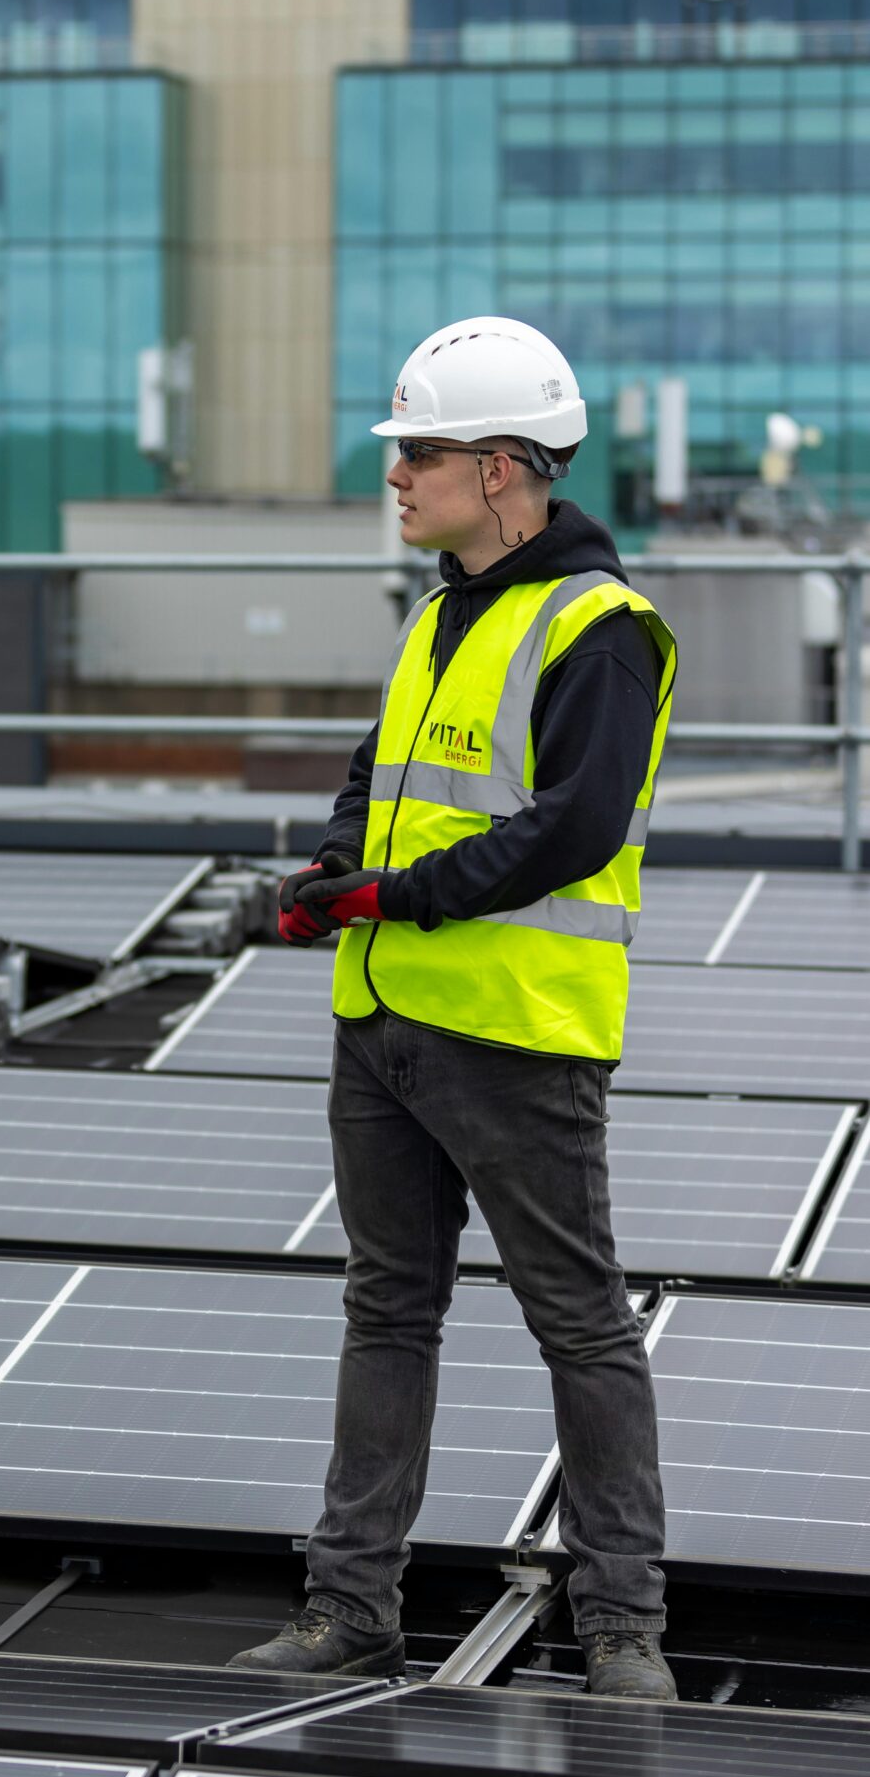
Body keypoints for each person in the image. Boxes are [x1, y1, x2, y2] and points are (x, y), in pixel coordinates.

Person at [231, 316, 679, 1703]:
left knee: (579, 1323)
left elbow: (570, 831)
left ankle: (624, 1631)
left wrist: (384, 898)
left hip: (518, 1036)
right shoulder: (438, 611)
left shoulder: (603, 631)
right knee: (388, 1312)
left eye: (416, 455)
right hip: (386, 1028)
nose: (396, 478)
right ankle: (350, 1606)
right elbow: (380, 782)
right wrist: (330, 870)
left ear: (500, 469)